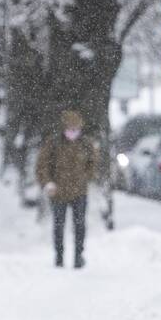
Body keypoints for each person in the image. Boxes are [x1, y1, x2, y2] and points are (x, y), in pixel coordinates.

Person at [36, 110, 97, 269]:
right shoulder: (53, 143)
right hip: (58, 193)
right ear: (63, 128)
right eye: (70, 128)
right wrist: (48, 183)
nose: (73, 132)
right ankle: (59, 257)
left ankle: (78, 256)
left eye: (76, 129)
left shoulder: (86, 144)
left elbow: (93, 164)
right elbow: (42, 165)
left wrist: (86, 178)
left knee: (80, 225)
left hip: (79, 192)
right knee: (59, 226)